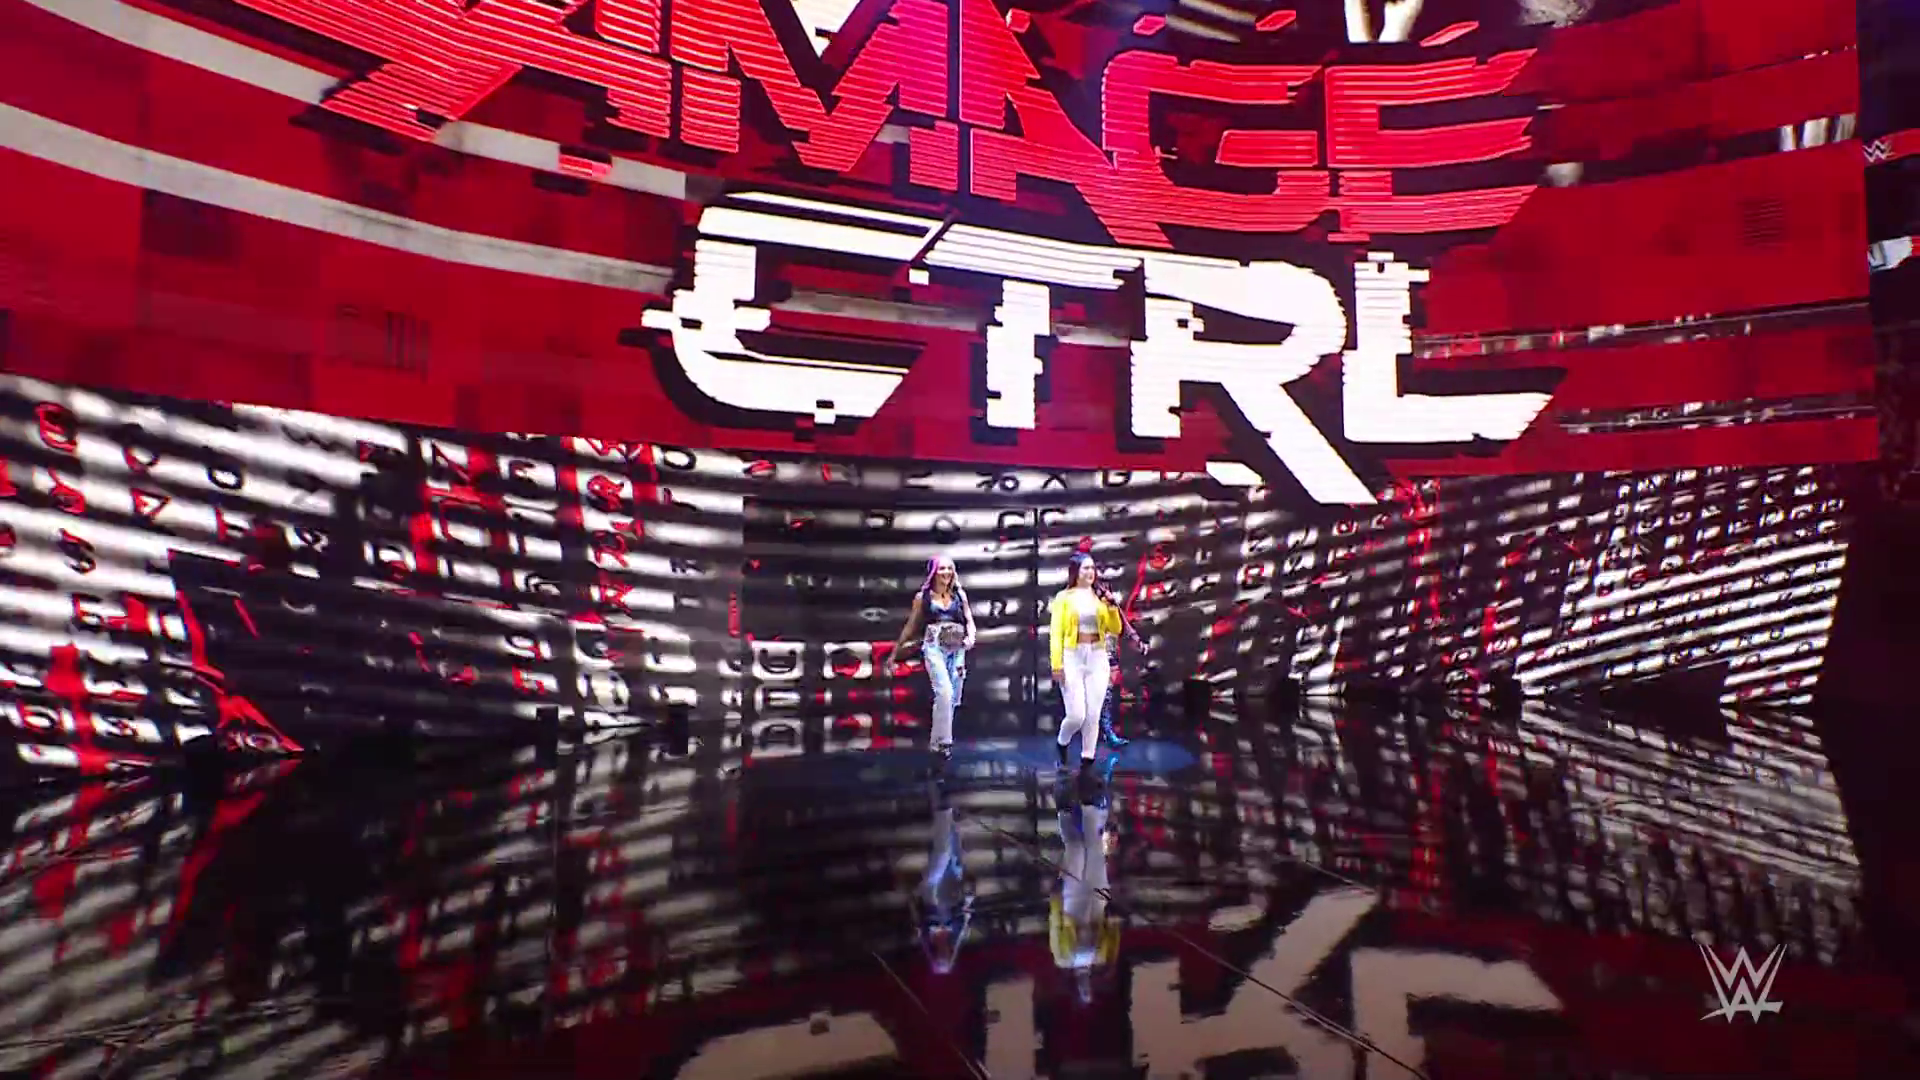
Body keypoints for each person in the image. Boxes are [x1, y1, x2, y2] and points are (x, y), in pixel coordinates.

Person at [893, 555, 977, 758]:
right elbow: (911, 626)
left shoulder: (959, 595)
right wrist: (895, 652)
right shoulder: (923, 597)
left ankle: (936, 742)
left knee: (952, 697)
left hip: (957, 649)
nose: (946, 572)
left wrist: (971, 637)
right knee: (944, 692)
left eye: (949, 568)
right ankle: (943, 743)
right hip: (934, 647)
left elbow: (969, 620)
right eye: (942, 568)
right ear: (933, 572)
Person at [1050, 554, 1123, 777]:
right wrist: (1056, 664)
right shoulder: (1064, 597)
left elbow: (1116, 629)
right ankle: (1062, 741)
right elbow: (1056, 633)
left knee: (1093, 714)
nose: (1090, 572)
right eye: (1085, 568)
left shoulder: (1100, 598)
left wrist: (1112, 607)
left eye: (1092, 568)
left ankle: (1087, 760)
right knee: (1076, 715)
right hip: (1072, 656)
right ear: (1075, 572)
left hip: (1097, 656)